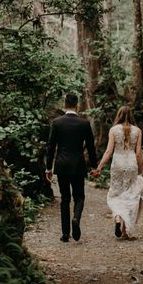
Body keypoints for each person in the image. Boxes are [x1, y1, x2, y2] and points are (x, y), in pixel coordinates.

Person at [45, 93, 98, 242]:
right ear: (77, 105)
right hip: (78, 165)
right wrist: (94, 166)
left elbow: (50, 147)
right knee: (79, 197)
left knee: (65, 199)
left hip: (61, 165)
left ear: (64, 104)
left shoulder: (56, 122)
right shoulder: (84, 124)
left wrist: (48, 168)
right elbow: (91, 148)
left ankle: (65, 234)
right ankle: (76, 218)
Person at [91, 106, 143, 239]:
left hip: (117, 164)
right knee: (130, 195)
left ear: (119, 115)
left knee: (115, 193)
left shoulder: (113, 130)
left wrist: (99, 168)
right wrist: (141, 169)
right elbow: (138, 153)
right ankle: (124, 231)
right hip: (131, 164)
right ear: (131, 115)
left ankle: (117, 218)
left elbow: (108, 151)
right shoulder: (138, 131)